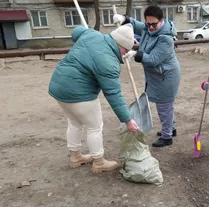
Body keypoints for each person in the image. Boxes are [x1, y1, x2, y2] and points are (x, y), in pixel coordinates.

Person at [48, 23, 140, 172]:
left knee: (74, 122)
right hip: (79, 93)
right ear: (121, 46)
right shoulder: (109, 62)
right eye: (125, 50)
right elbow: (113, 94)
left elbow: (76, 32)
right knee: (95, 127)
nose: (124, 54)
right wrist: (128, 120)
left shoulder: (92, 35)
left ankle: (75, 156)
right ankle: (99, 162)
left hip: (58, 86)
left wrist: (87, 31)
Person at [113, 5, 180, 148]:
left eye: (153, 24)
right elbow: (137, 26)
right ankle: (170, 128)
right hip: (157, 75)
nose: (150, 27)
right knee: (166, 106)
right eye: (148, 24)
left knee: (164, 106)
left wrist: (136, 54)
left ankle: (167, 136)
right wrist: (124, 19)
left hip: (166, 76)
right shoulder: (148, 28)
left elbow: (153, 59)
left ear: (161, 21)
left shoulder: (165, 39)